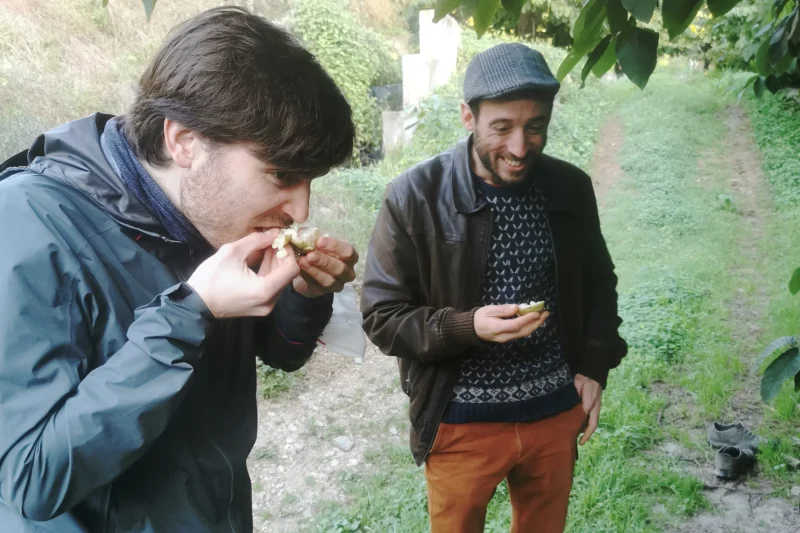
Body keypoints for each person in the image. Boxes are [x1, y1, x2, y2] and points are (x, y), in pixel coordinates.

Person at [0, 7, 358, 533]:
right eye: (281, 173)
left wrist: (304, 293)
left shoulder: (210, 219)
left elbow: (282, 354)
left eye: (311, 181)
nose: (301, 210)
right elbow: (31, 479)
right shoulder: (26, 225)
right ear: (185, 140)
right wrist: (190, 313)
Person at [360, 43, 628, 533]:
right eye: (501, 128)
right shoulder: (413, 196)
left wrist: (594, 365)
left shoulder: (570, 187)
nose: (520, 147)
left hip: (554, 412)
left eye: (535, 127)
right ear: (468, 116)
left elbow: (598, 280)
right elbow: (382, 318)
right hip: (460, 420)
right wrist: (468, 326)